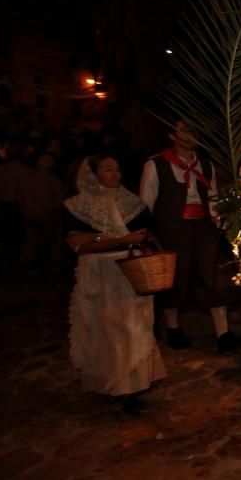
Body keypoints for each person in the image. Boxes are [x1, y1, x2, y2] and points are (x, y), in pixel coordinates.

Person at [65, 156, 165, 414]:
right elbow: (77, 244)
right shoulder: (79, 206)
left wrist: (141, 244)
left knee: (132, 328)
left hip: (130, 270)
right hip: (99, 273)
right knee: (105, 330)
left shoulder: (132, 203)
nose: (114, 173)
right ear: (93, 174)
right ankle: (111, 382)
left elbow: (146, 234)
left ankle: (131, 386)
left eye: (117, 168)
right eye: (107, 169)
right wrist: (119, 240)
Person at [140, 120, 241, 353]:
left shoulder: (206, 165)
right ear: (172, 135)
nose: (190, 136)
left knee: (212, 276)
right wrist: (147, 237)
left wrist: (219, 223)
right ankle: (174, 328)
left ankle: (223, 333)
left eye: (194, 131)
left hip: (203, 228)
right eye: (185, 131)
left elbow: (214, 198)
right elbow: (146, 204)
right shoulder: (156, 165)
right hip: (172, 230)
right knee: (175, 277)